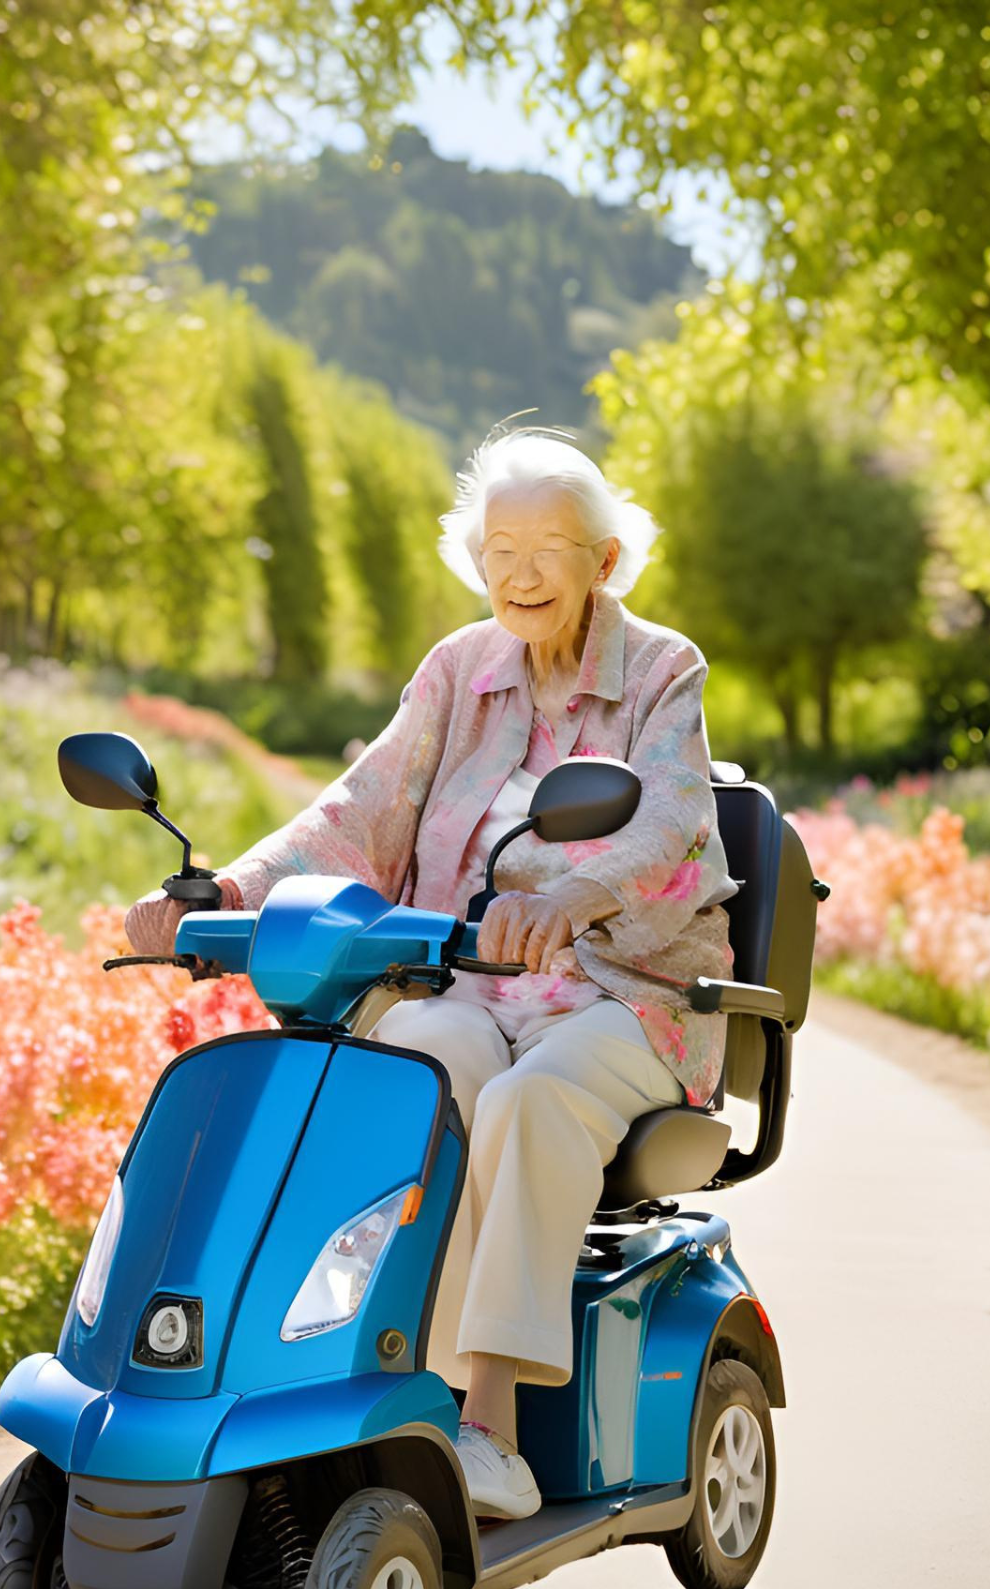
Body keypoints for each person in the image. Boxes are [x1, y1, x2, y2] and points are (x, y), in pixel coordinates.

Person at [125, 424, 739, 1520]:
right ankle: (354, 1383)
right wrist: (225, 892)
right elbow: (356, 812)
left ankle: (490, 1426)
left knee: (526, 1104)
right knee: (404, 1075)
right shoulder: (458, 672)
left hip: (628, 996)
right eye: (500, 547)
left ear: (603, 561)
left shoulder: (660, 669)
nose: (520, 572)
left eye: (550, 546)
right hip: (464, 984)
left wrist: (567, 901)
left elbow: (679, 830)